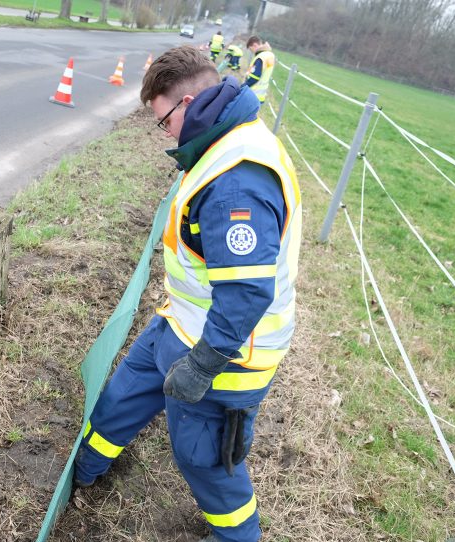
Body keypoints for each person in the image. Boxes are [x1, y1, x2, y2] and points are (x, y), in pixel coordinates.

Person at [73, 46, 302, 542]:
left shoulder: (237, 182)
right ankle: (81, 472)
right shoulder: (221, 139)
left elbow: (245, 292)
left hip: (227, 358)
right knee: (122, 395)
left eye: (164, 121)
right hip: (179, 325)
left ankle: (238, 535)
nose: (167, 134)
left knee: (206, 465)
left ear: (191, 101)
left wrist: (202, 365)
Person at [243, 36, 276, 104]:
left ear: (255, 45)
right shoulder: (270, 55)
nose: (252, 52)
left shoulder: (261, 57)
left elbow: (255, 77)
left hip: (252, 93)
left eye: (250, 49)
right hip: (261, 95)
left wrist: (243, 87)